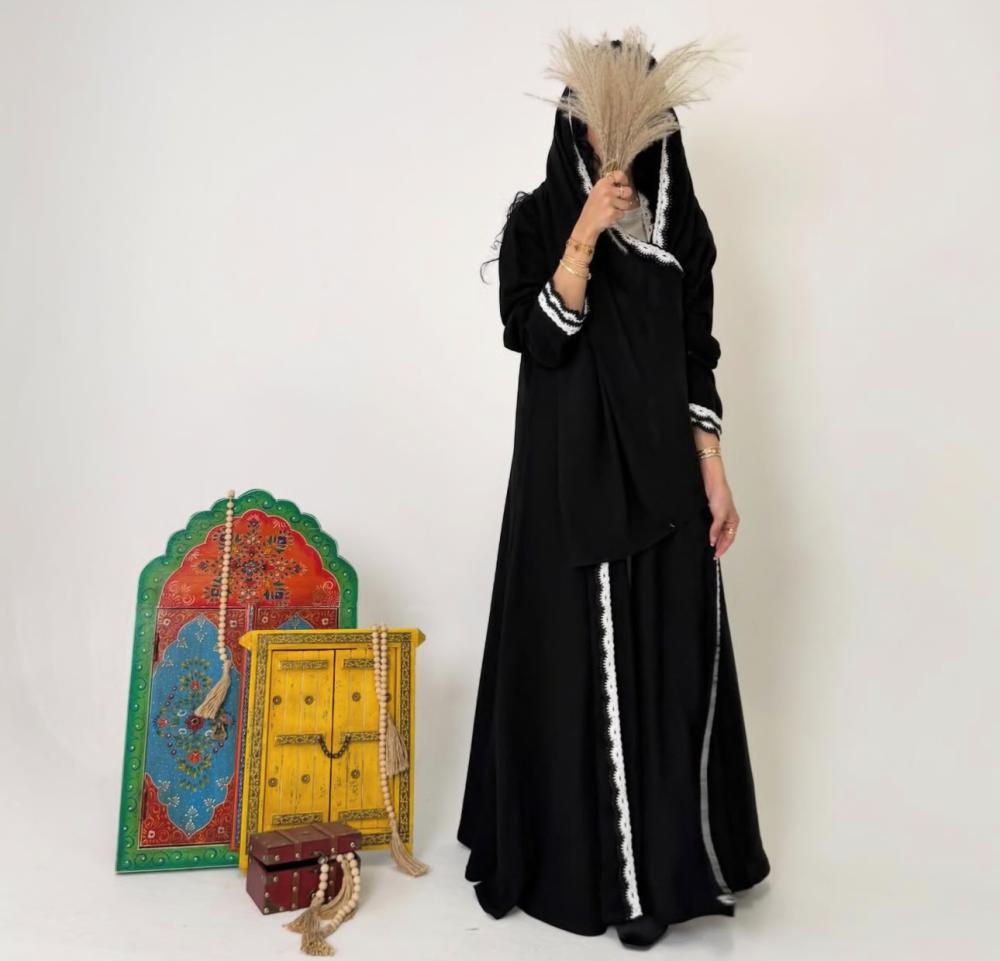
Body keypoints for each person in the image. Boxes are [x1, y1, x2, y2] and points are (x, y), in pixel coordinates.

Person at [457, 60, 770, 949]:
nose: (609, 144)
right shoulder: (538, 217)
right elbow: (538, 336)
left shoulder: (683, 228)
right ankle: (583, 869)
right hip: (568, 471)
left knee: (668, 654)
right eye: (594, 126)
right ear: (574, 127)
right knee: (572, 657)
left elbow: (695, 352)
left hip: (664, 471)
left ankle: (665, 872)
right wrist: (585, 233)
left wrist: (713, 465)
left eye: (628, 127)